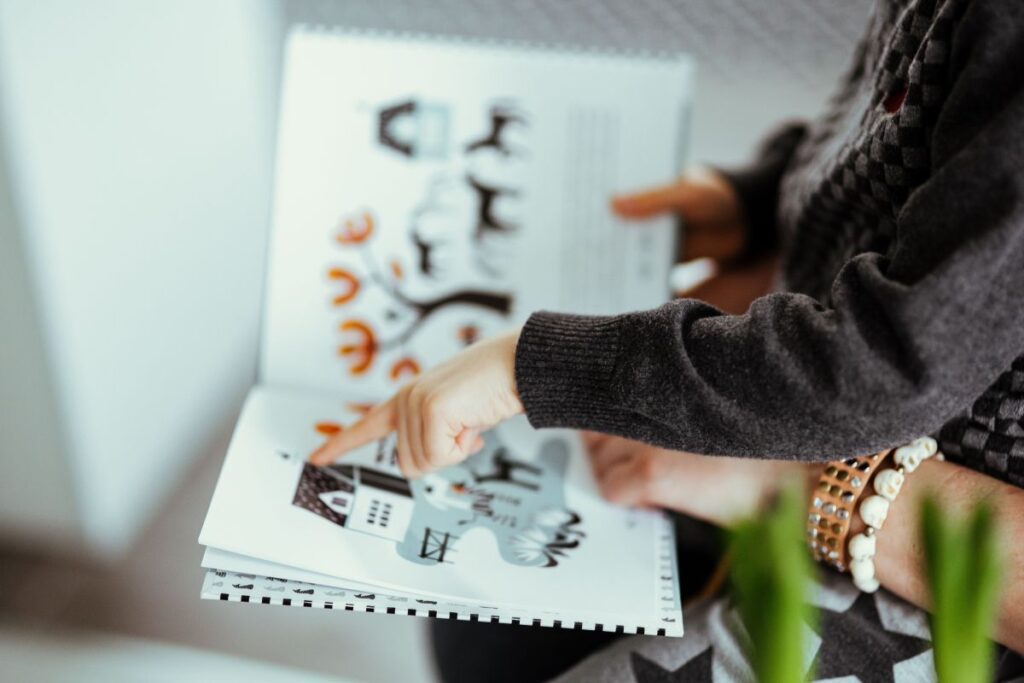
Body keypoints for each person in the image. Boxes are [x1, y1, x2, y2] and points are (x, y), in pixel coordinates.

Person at [311, 0, 1024, 679]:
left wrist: (533, 367)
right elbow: (920, 129)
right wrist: (761, 200)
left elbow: (887, 366)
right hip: (850, 408)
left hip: (952, 519)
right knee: (484, 631)